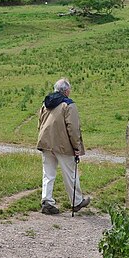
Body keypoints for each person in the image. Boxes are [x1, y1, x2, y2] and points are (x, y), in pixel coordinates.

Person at [36, 78, 90, 215]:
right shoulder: (68, 105)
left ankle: (47, 201)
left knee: (48, 174)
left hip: (45, 142)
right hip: (63, 145)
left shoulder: (46, 103)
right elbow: (73, 128)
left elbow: (40, 122)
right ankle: (76, 201)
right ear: (66, 91)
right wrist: (77, 147)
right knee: (70, 173)